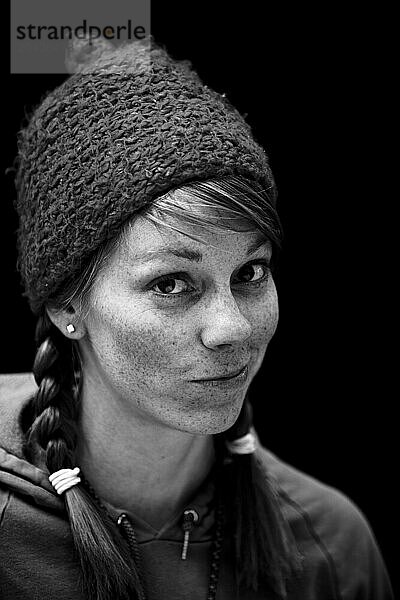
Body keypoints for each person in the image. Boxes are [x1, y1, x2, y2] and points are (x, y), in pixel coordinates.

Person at [0, 37, 393, 600]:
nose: (231, 328)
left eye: (251, 273)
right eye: (172, 284)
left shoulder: (328, 547)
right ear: (67, 305)